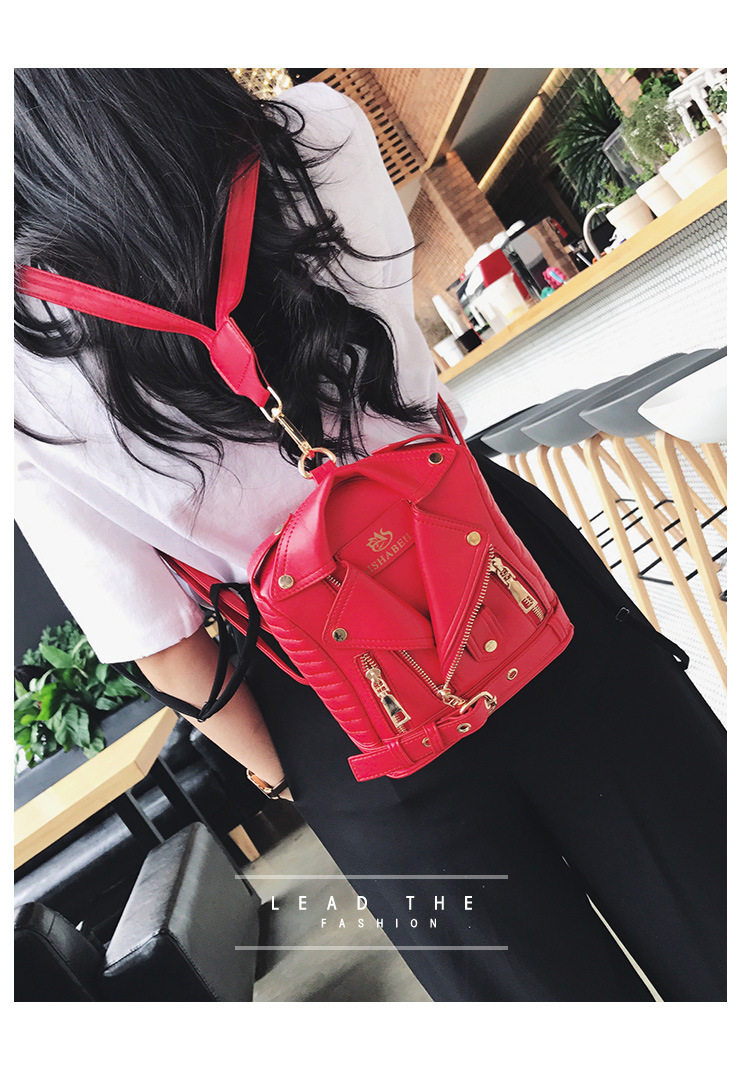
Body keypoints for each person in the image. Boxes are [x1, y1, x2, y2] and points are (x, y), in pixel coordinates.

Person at [14, 68, 726, 1002]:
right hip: (506, 575)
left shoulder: (19, 349)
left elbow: (159, 642)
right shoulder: (319, 131)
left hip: (334, 704)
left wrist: (304, 779)